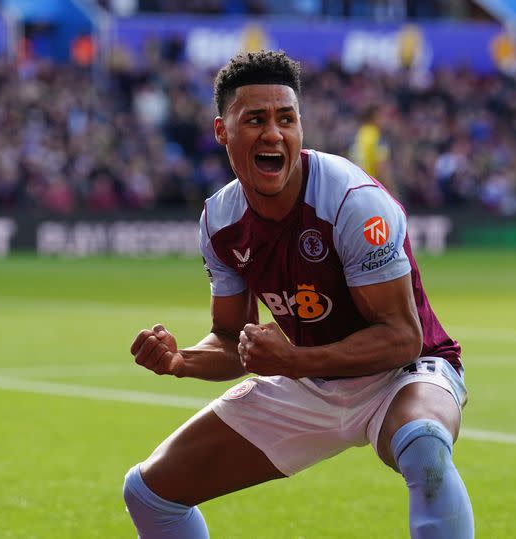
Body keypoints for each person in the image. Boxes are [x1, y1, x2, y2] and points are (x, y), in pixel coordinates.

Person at [124, 50, 473, 539]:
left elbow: (401, 339)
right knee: (148, 492)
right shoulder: (220, 221)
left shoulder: (353, 202)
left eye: (286, 118)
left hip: (404, 374)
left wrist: (293, 360)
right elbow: (231, 340)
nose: (274, 133)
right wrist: (180, 360)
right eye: (256, 120)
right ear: (222, 132)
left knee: (424, 445)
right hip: (308, 377)